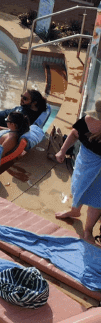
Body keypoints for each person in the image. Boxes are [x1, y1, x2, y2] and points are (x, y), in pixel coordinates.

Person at [54, 101, 101, 240]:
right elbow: (74, 134)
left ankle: (88, 230)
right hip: (84, 161)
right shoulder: (86, 120)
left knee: (96, 199)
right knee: (78, 187)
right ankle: (74, 211)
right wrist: (62, 151)